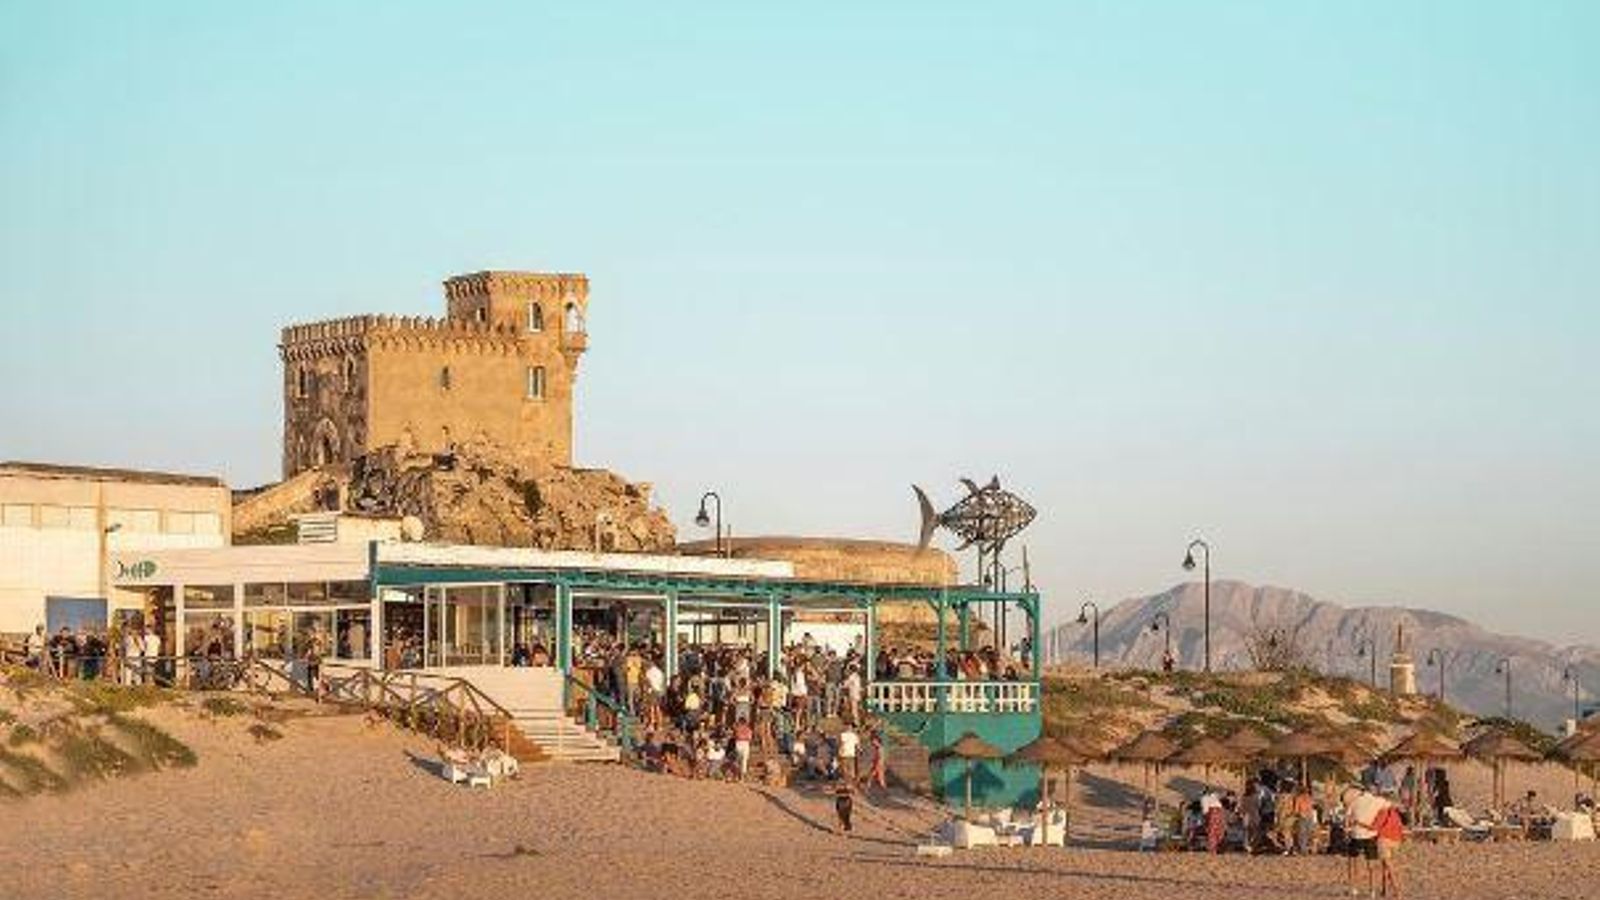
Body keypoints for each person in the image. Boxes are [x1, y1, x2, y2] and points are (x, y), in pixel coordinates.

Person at [1343, 785, 1399, 898]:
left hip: (1356, 834)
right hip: (1371, 836)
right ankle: (1372, 890)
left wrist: (1347, 831)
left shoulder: (1355, 801)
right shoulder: (1377, 801)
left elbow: (1347, 818)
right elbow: (1391, 806)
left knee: (1353, 862)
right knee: (1371, 865)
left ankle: (1354, 888)